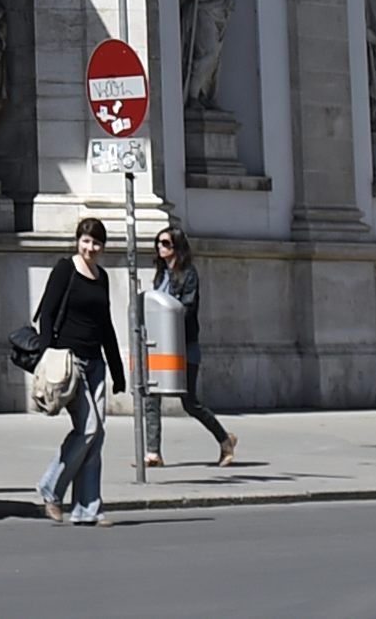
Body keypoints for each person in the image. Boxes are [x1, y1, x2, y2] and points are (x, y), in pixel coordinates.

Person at [33, 215, 127, 526]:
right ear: (77, 241)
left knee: (97, 436)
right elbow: (47, 312)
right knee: (88, 429)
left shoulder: (101, 276)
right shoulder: (65, 268)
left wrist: (117, 370)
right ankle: (50, 488)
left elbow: (106, 325)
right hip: (69, 362)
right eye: (86, 241)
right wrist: (47, 354)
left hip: (96, 362)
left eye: (96, 242)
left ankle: (87, 508)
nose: (90, 248)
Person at [145, 224, 236, 467]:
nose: (160, 247)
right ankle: (153, 453)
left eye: (165, 243)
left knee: (190, 402)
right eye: (158, 243)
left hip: (184, 343)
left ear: (177, 247)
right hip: (161, 344)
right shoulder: (160, 273)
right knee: (151, 395)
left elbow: (187, 306)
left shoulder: (189, 274)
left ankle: (225, 440)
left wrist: (167, 318)